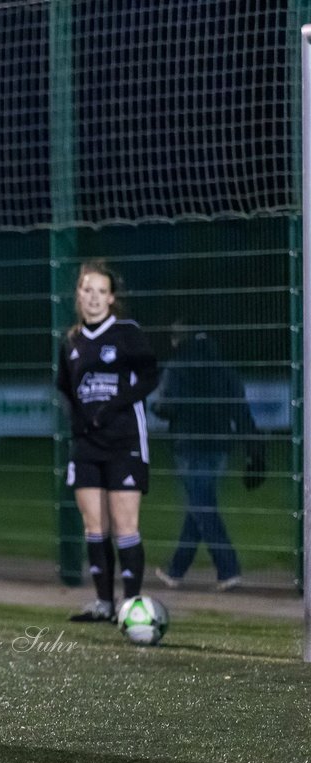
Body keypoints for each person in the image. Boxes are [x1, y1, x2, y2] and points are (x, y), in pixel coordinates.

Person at [55, 260, 160, 623]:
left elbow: (149, 378)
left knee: (125, 525)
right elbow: (65, 388)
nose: (94, 298)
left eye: (101, 291)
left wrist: (112, 408)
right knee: (94, 526)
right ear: (78, 296)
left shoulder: (127, 333)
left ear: (112, 298)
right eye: (87, 290)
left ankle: (131, 605)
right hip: (86, 445)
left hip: (124, 440)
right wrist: (82, 420)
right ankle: (103, 603)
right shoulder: (70, 341)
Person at [152, 322, 265, 591]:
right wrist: (253, 449)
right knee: (199, 507)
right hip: (220, 446)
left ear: (180, 340)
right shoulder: (223, 368)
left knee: (202, 508)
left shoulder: (177, 367)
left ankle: (228, 569)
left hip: (189, 445)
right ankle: (175, 571)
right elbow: (241, 410)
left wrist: (157, 406)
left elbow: (166, 405)